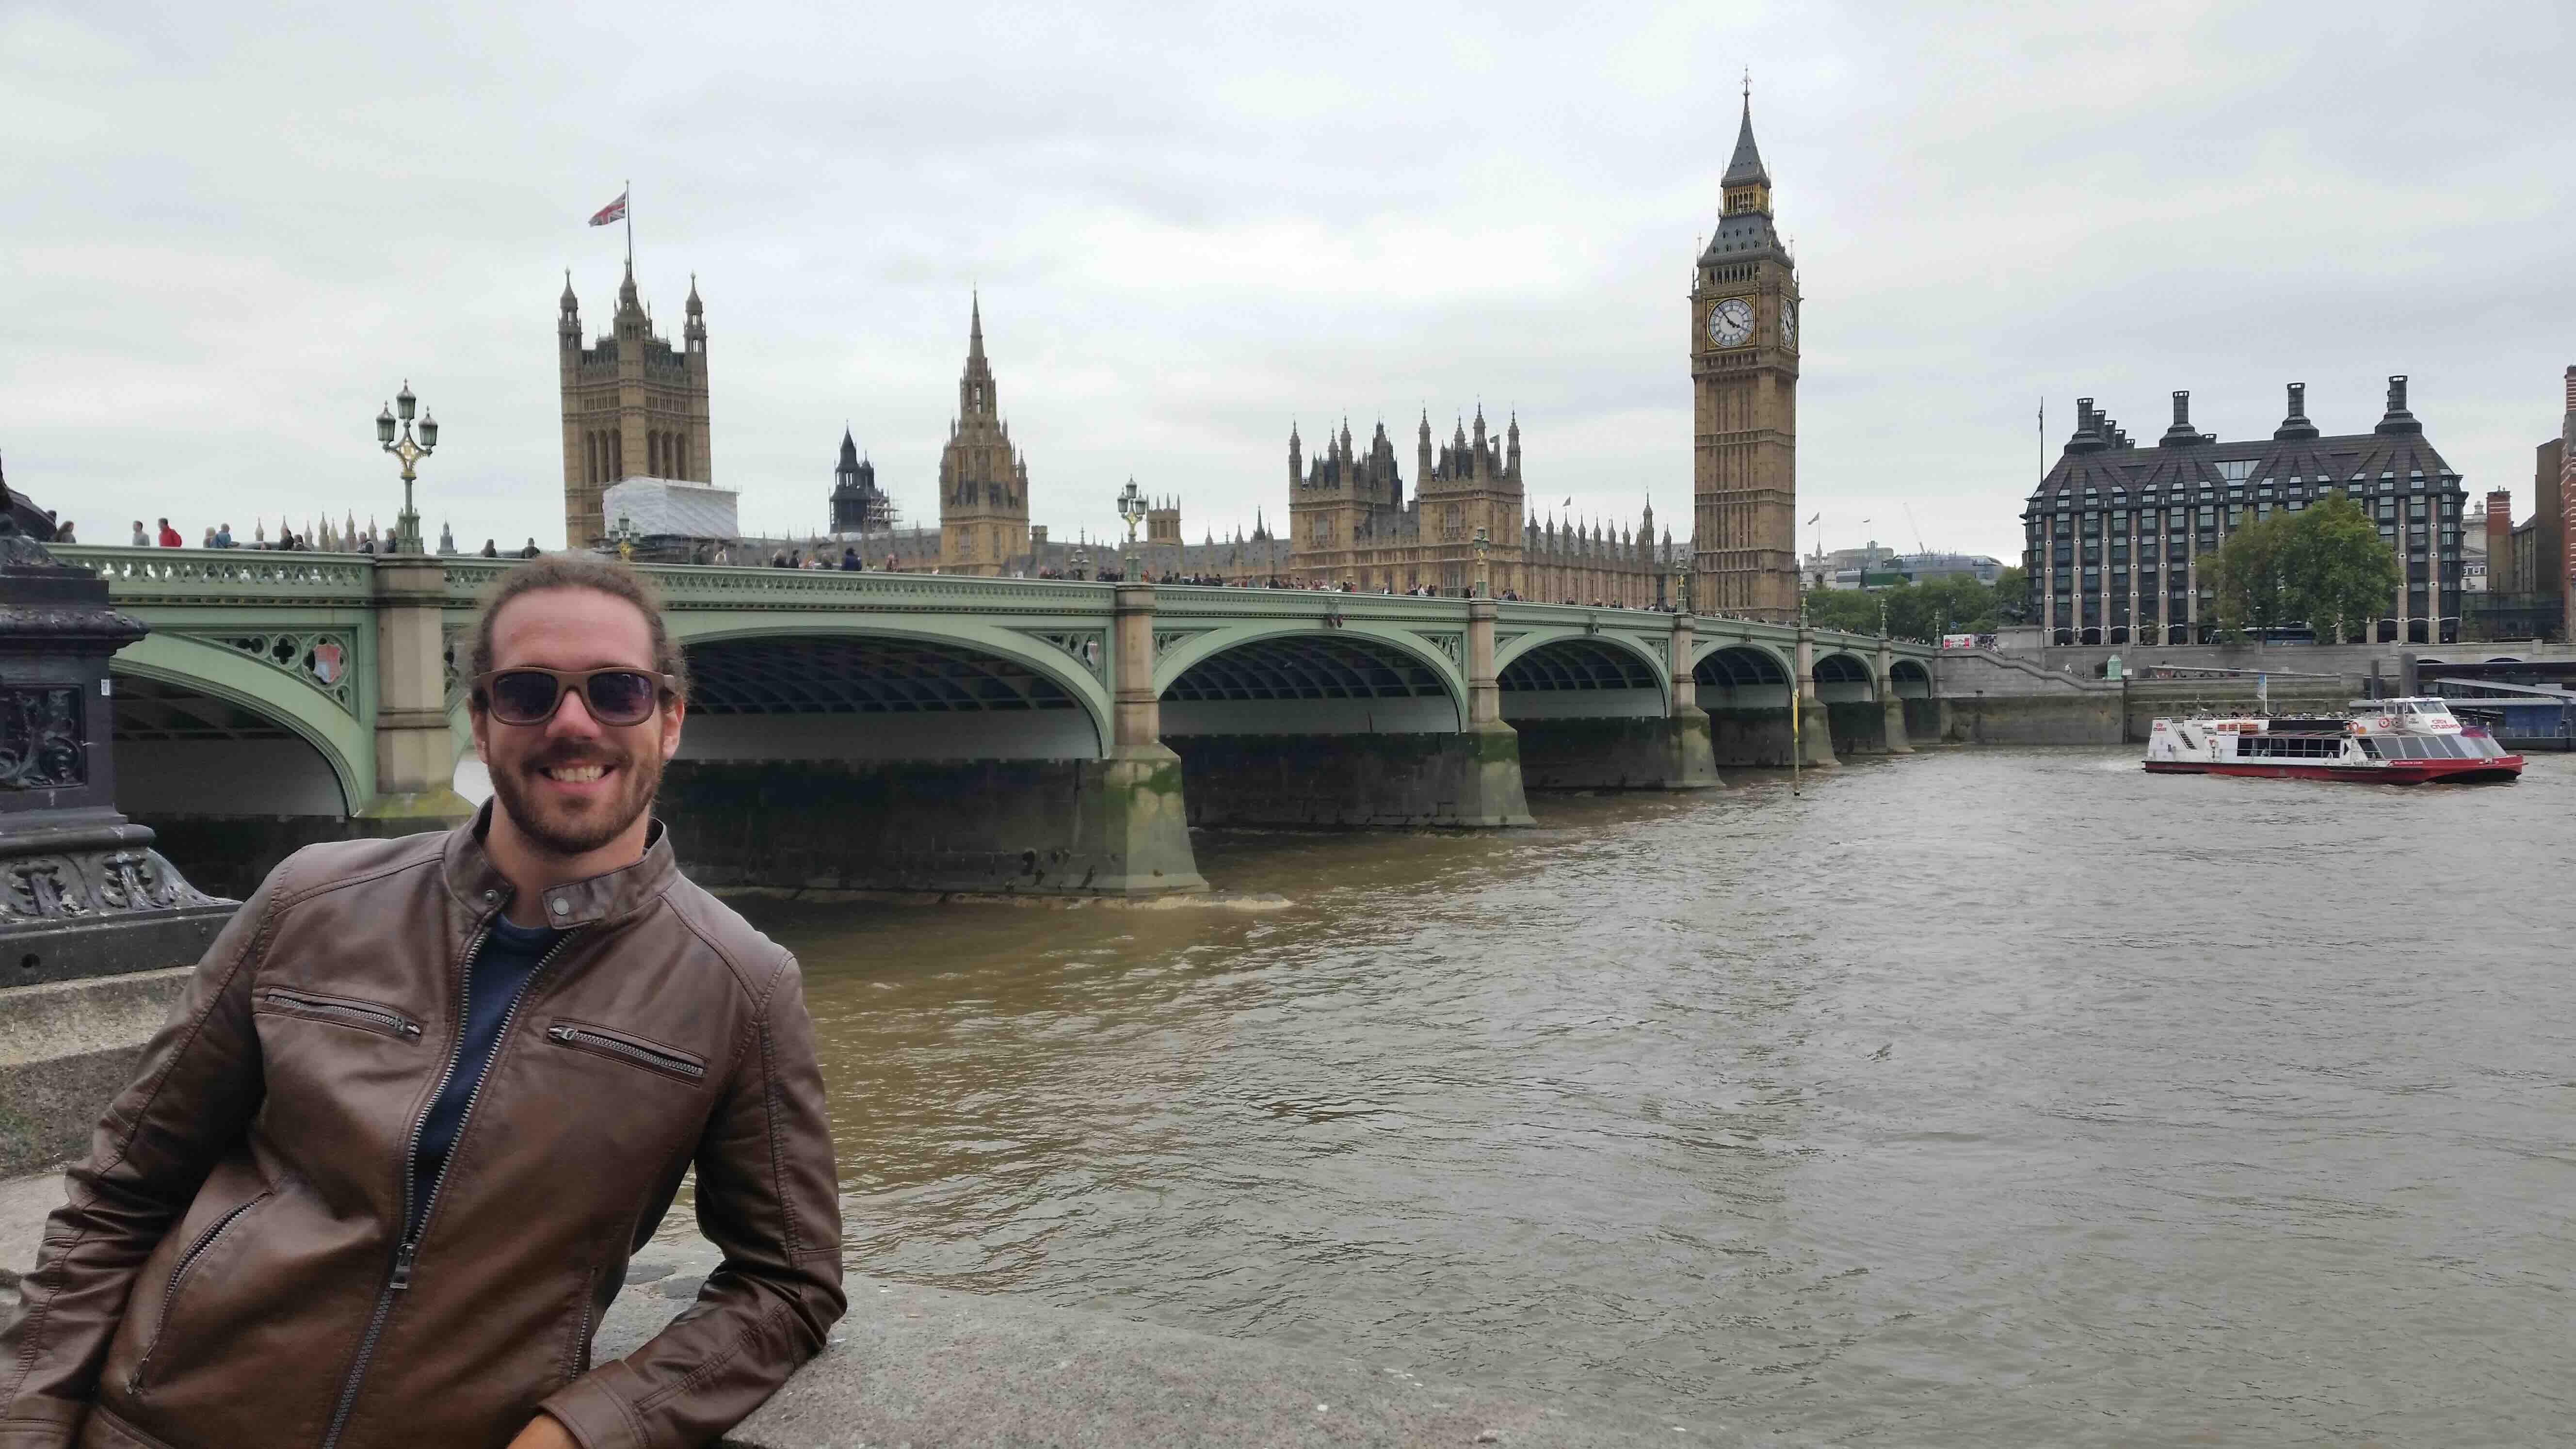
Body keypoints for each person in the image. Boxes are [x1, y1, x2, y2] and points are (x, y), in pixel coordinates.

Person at [0, 554, 845, 1448]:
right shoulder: (308, 901)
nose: (572, 722)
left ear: (669, 719)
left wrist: (591, 1427)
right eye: (526, 693)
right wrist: (29, 1420)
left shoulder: (740, 985)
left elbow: (789, 1285)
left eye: (616, 691)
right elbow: (123, 1191)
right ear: (480, 722)